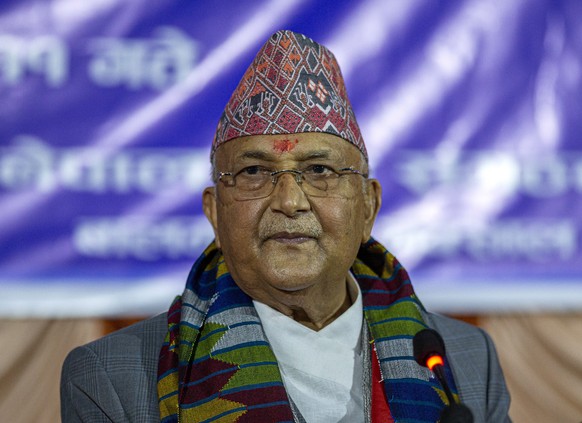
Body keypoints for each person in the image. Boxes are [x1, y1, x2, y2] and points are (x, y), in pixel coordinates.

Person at [61, 30, 511, 423]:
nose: (290, 201)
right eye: (254, 172)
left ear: (368, 207)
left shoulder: (463, 363)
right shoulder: (112, 376)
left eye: (319, 171)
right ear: (215, 212)